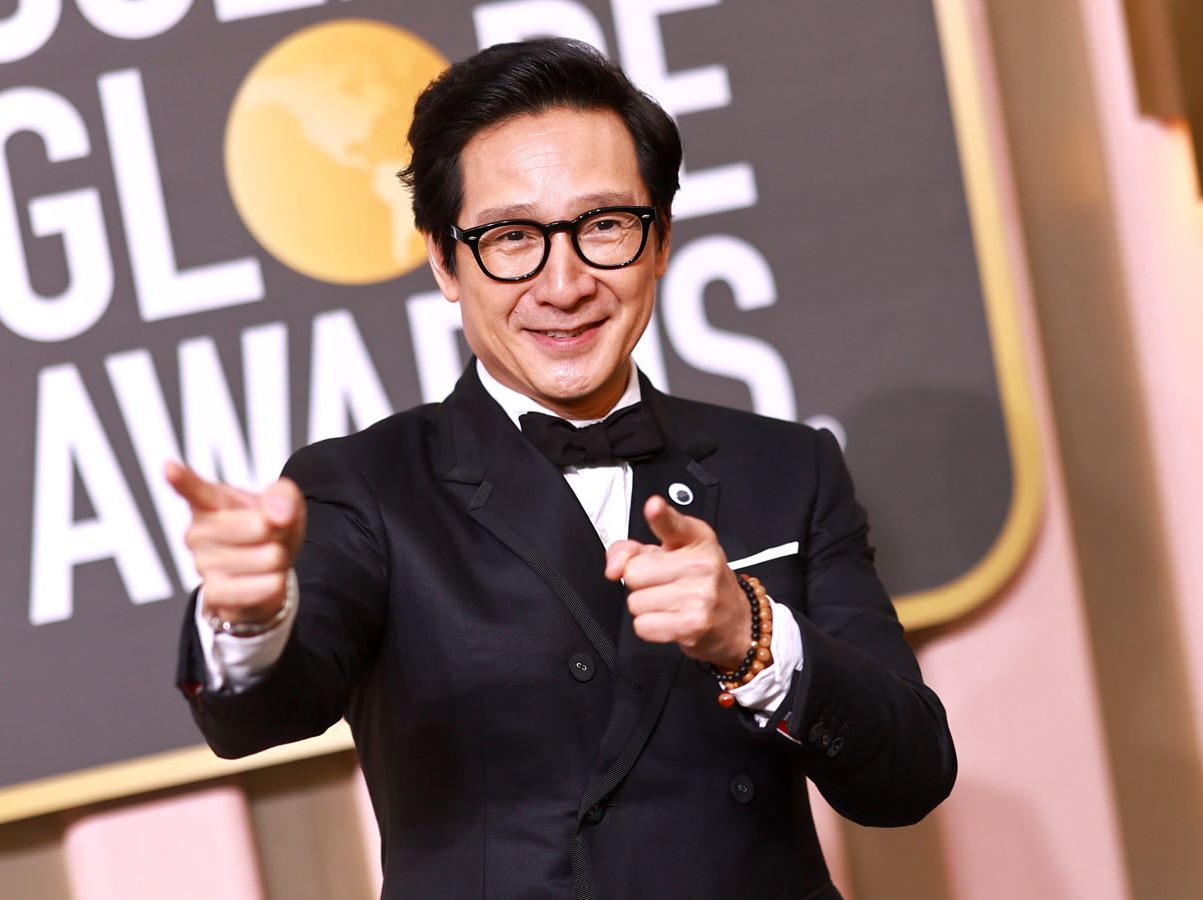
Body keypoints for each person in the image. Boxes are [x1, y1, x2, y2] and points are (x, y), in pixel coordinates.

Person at [168, 37, 955, 900]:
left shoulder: (788, 466)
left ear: (659, 241)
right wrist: (249, 616)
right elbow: (260, 713)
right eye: (512, 237)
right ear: (444, 259)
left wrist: (750, 636)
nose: (566, 282)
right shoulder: (365, 486)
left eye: (605, 225)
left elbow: (909, 776)